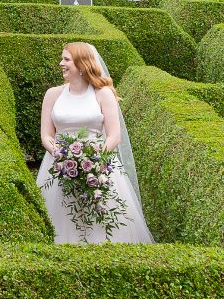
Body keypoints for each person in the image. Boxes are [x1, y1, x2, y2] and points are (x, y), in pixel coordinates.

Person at [37, 42, 153, 244]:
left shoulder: (103, 94)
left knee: (103, 217)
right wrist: (61, 154)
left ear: (82, 65)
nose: (61, 63)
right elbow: (46, 135)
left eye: (66, 59)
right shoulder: (53, 94)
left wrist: (94, 159)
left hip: (99, 164)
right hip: (58, 164)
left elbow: (114, 136)